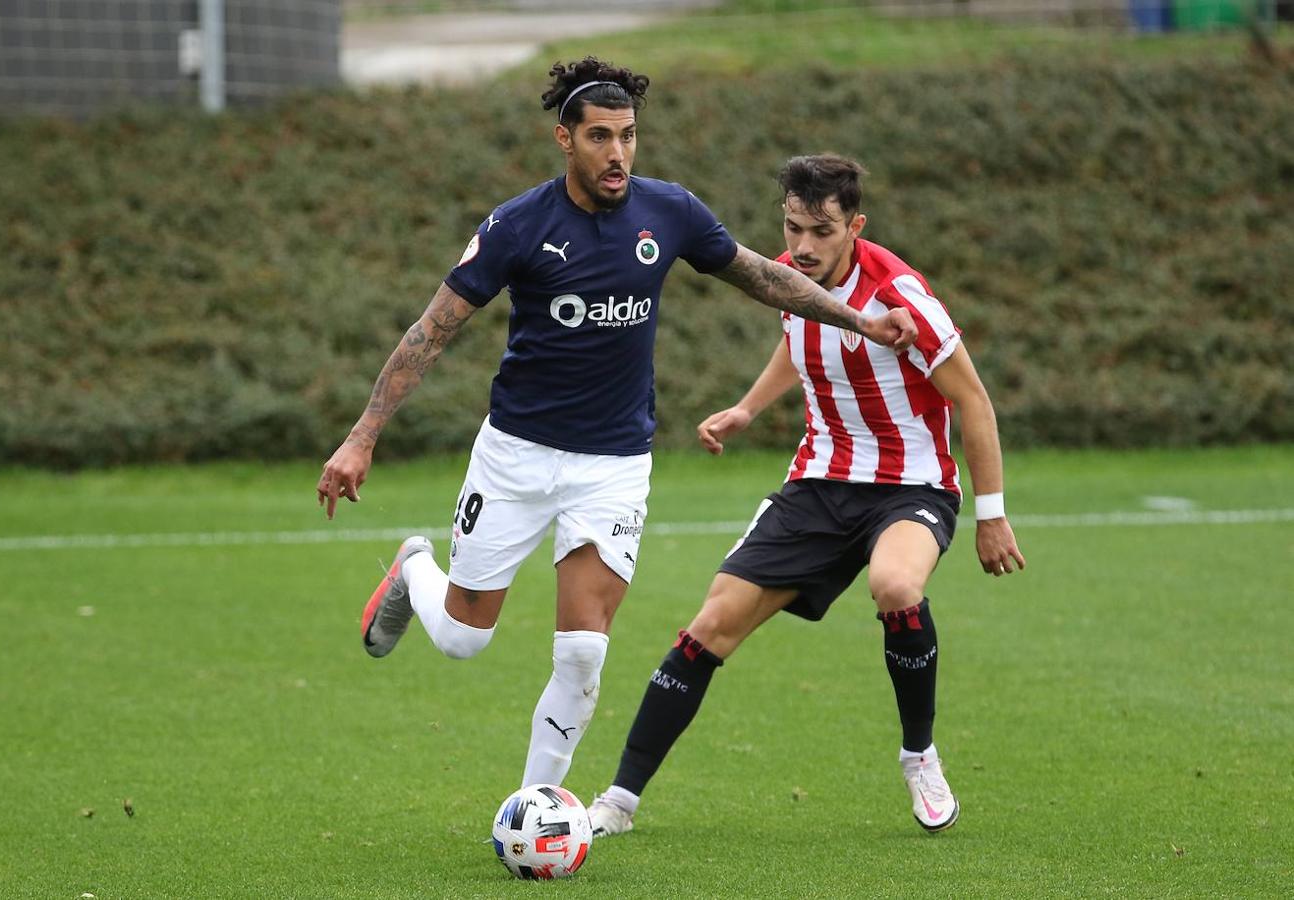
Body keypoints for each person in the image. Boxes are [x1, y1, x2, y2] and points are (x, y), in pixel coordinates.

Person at [314, 60, 918, 793]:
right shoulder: (517, 226)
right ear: (564, 139)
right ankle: (414, 568)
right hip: (516, 457)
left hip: (613, 465)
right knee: (466, 640)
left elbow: (763, 275)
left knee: (582, 654)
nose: (618, 153)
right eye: (599, 136)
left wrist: (861, 319)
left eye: (628, 135)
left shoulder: (669, 213)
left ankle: (538, 807)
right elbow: (430, 332)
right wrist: (362, 434)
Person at [587, 154, 1026, 837]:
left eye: (821, 231)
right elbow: (799, 344)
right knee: (710, 626)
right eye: (793, 227)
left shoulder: (901, 296)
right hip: (818, 485)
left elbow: (974, 400)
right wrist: (747, 409)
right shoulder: (789, 277)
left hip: (909, 486)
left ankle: (920, 756)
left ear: (855, 225)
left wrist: (992, 517)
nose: (802, 246)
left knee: (895, 586)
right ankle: (618, 800)